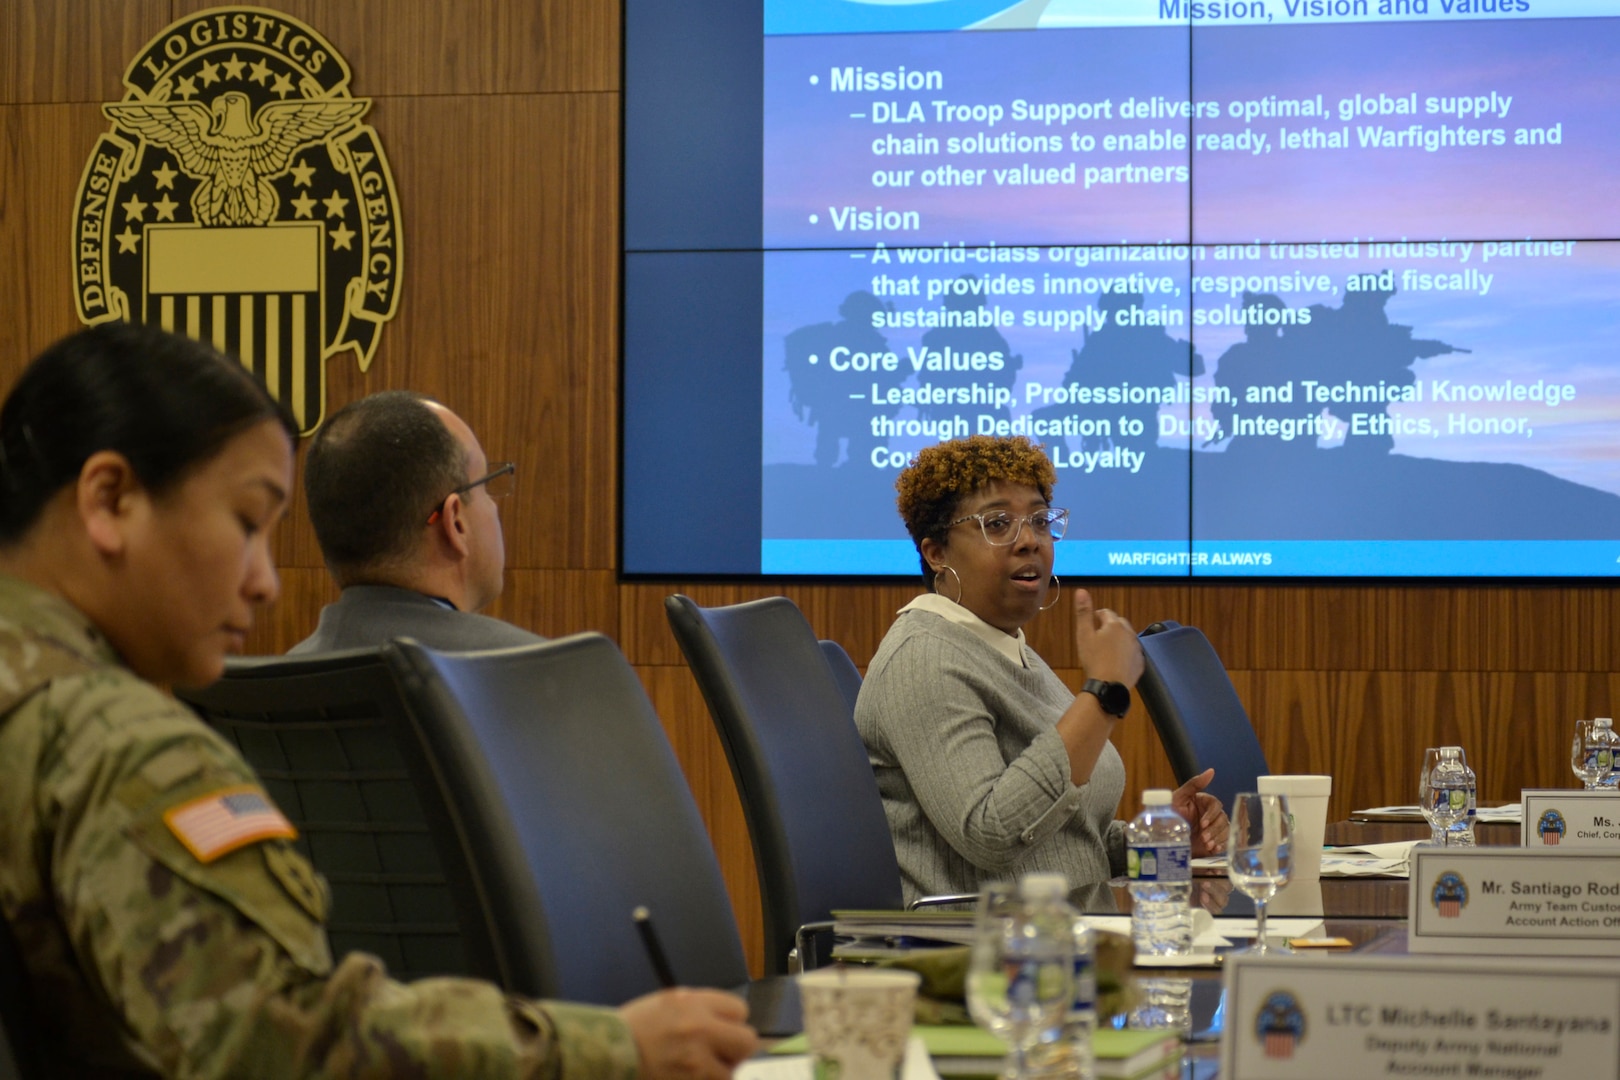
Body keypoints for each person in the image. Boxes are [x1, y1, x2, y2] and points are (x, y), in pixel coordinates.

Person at [0, 324, 757, 1078]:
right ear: (110, 499)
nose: (265, 581)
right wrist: (615, 1050)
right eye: (244, 521)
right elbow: (285, 1043)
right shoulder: (120, 744)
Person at [854, 434, 1228, 903]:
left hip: (1068, 941)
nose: (1029, 540)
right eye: (997, 523)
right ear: (936, 553)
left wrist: (1157, 843)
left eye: (1039, 520)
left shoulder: (1006, 648)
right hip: (990, 960)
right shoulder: (923, 660)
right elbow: (992, 834)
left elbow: (1062, 841)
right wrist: (1103, 694)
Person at [292, 390, 546, 653]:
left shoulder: (278, 682)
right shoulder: (536, 668)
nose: (495, 507)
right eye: (486, 484)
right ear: (455, 522)